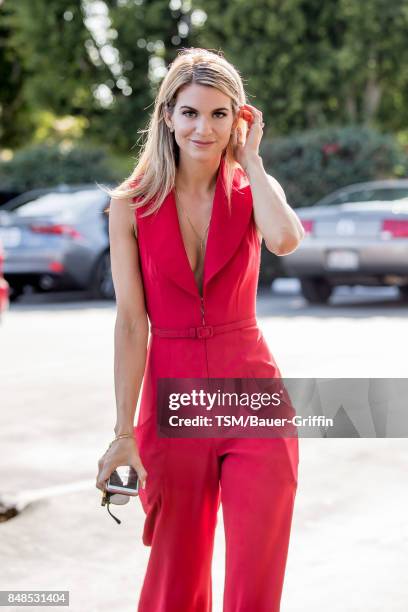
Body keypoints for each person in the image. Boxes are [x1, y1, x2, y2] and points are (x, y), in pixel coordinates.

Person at [96, 47, 305, 612]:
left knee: (256, 569)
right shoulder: (130, 205)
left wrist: (254, 163)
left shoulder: (255, 191)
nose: (203, 128)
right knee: (177, 576)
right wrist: (122, 432)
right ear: (167, 115)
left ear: (239, 120)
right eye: (190, 112)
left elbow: (286, 240)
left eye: (219, 114)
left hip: (253, 395)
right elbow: (131, 324)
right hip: (174, 400)